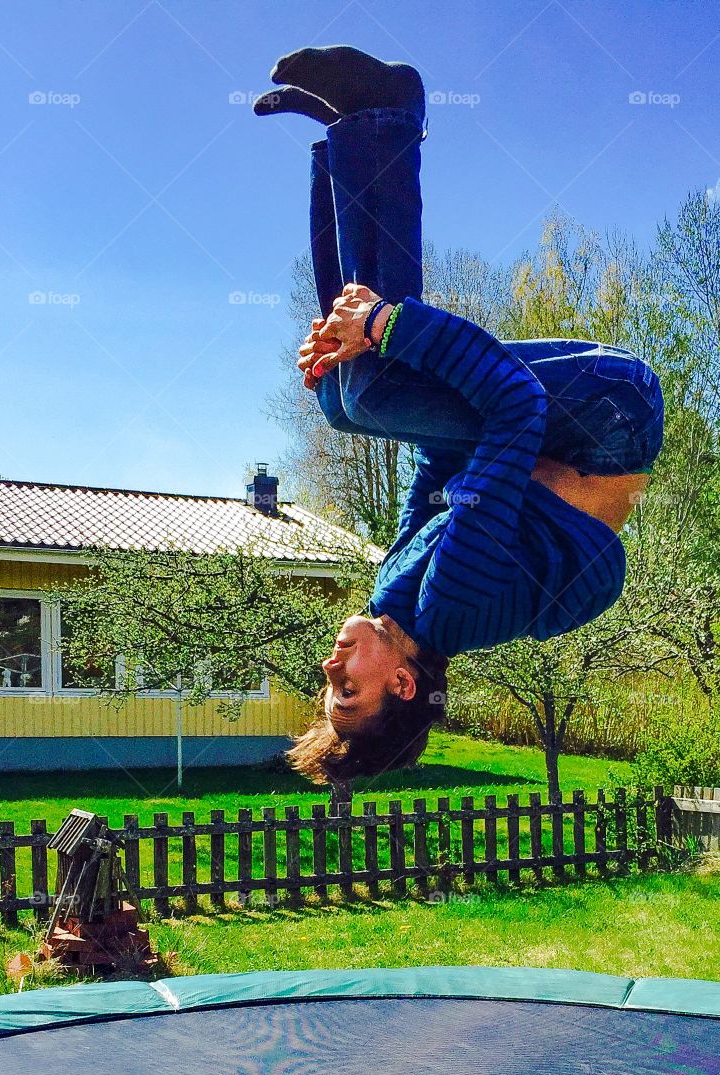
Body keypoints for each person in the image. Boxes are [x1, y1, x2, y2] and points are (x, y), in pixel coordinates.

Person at [254, 45, 664, 785]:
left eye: (328, 684)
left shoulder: (397, 597)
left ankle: (345, 143)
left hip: (567, 433)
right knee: (374, 385)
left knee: (349, 398)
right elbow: (514, 404)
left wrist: (338, 359)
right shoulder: (455, 602)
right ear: (403, 684)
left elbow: (437, 461)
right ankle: (383, 119)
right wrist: (388, 327)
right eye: (346, 688)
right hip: (612, 414)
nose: (329, 664)